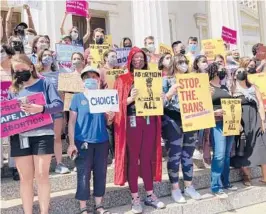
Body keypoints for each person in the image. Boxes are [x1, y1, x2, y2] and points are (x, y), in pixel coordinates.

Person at [8, 54, 63, 214]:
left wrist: (42, 109)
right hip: (19, 137)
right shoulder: (13, 89)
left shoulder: (45, 83)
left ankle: (44, 212)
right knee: (25, 179)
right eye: (16, 70)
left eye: (22, 69)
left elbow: (58, 105)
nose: (19, 73)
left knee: (42, 175)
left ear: (31, 67)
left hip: (42, 134)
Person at [114, 47, 165, 213]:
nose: (138, 60)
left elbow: (158, 100)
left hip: (149, 120)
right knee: (134, 158)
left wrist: (162, 96)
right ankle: (135, 197)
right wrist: (130, 98)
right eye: (135, 57)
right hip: (132, 121)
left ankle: (150, 194)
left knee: (146, 157)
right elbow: (116, 104)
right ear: (130, 59)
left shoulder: (152, 76)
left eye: (141, 57)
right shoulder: (122, 79)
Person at [67, 66, 113, 214]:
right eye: (88, 77)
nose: (91, 80)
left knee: (101, 173)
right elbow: (72, 122)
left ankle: (99, 205)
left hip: (102, 141)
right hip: (83, 142)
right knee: (83, 174)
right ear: (83, 81)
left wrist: (110, 116)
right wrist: (72, 143)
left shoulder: (104, 97)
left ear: (99, 80)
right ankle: (83, 207)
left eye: (94, 77)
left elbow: (109, 122)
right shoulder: (77, 98)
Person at [162, 53, 201, 203]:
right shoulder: (165, 81)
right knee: (175, 155)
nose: (184, 64)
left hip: (191, 120)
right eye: (180, 62)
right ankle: (175, 188)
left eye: (185, 61)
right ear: (174, 64)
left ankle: (189, 186)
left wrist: (206, 94)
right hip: (172, 121)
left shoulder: (194, 80)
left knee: (188, 155)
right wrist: (170, 93)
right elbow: (160, 104)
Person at [230, 68, 266, 186]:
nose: (240, 73)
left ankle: (265, 177)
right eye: (237, 72)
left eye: (242, 71)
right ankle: (246, 176)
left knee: (261, 144)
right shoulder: (233, 89)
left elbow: (260, 103)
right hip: (240, 119)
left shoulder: (254, 87)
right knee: (242, 146)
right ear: (234, 75)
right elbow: (230, 105)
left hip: (255, 118)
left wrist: (263, 120)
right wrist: (237, 122)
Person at [36, 49, 70, 174]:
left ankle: (59, 163)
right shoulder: (36, 75)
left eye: (49, 55)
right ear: (40, 58)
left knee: (56, 138)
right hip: (40, 111)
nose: (47, 57)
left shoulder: (58, 74)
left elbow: (63, 92)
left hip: (56, 110)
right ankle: (41, 166)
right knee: (42, 138)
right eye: (44, 55)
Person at [207, 62, 237, 199]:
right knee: (219, 154)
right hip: (217, 124)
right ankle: (215, 186)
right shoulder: (207, 87)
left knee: (226, 155)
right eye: (220, 70)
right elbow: (203, 107)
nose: (222, 72)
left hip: (230, 123)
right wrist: (214, 112)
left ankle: (226, 182)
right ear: (213, 71)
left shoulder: (225, 87)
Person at [0, 44, 19, 180]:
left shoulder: (15, 71)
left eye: (2, 51)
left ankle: (14, 166)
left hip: (13, 109)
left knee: (14, 139)